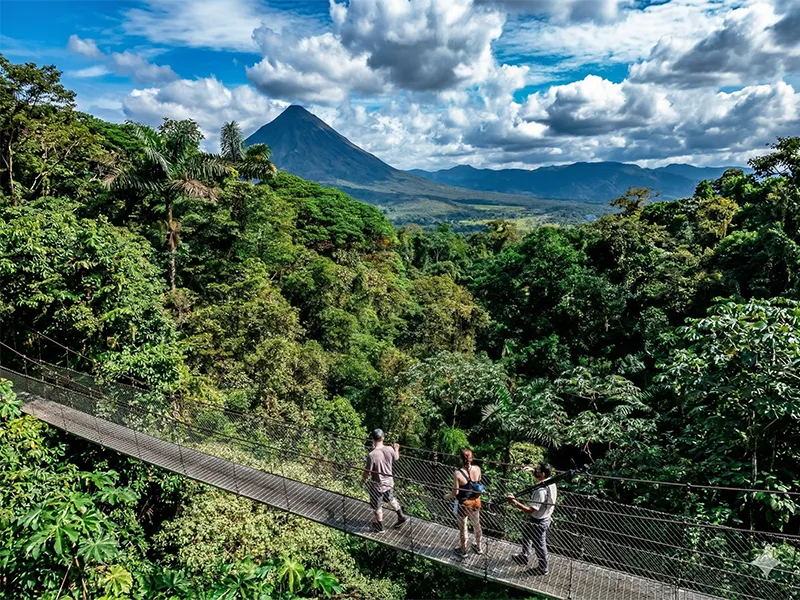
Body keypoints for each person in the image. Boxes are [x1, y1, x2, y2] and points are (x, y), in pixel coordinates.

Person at [505, 462, 557, 575]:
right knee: (527, 533)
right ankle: (524, 556)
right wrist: (533, 470)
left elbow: (530, 510)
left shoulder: (540, 491)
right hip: (544, 517)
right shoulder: (550, 481)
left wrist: (514, 502)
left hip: (539, 521)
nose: (535, 470)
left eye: (537, 470)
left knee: (539, 545)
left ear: (542, 474)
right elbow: (540, 474)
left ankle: (543, 568)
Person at [363, 428, 408, 533]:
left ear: (373, 439)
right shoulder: (390, 449)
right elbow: (396, 458)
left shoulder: (372, 455)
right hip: (389, 482)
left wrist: (363, 479)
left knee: (377, 506)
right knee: (390, 498)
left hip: (377, 486)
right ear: (383, 438)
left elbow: (367, 472)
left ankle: (380, 527)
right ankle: (401, 516)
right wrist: (396, 449)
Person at [444, 447, 483, 558]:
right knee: (476, 524)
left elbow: (455, 492)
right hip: (475, 502)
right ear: (472, 457)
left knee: (463, 527)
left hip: (463, 504)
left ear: (460, 459)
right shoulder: (478, 469)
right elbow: (478, 484)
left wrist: (446, 496)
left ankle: (463, 550)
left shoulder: (457, 473)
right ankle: (479, 547)